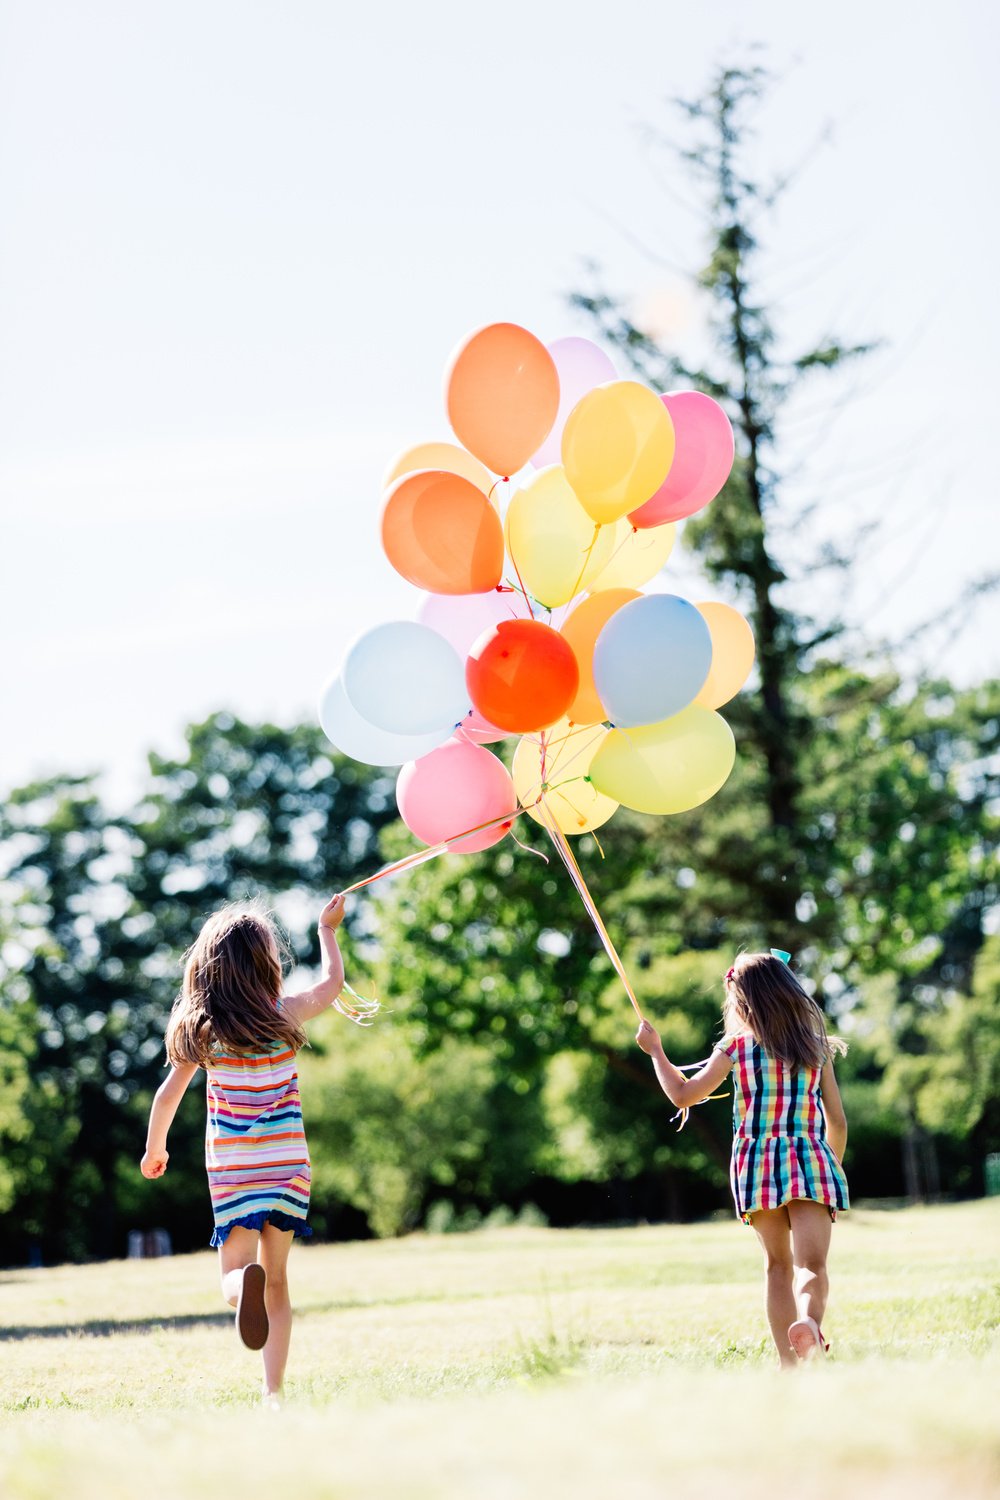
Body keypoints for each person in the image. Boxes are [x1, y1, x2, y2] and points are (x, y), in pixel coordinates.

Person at [140, 892, 352, 1403]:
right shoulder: (285, 1015)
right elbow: (332, 985)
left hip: (235, 1170)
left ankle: (240, 1291)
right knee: (277, 1282)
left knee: (234, 1273)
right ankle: (272, 1394)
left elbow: (168, 1095)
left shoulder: (204, 1030)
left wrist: (155, 1150)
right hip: (287, 1165)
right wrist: (327, 930)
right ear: (266, 965)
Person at [635, 950, 848, 1368]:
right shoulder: (814, 1048)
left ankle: (790, 1365)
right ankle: (809, 1323)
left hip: (756, 1165)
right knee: (813, 1265)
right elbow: (836, 1120)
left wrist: (656, 1052)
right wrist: (832, 1165)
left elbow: (683, 1095)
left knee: (776, 1267)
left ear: (741, 1000)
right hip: (810, 1158)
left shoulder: (734, 1047)